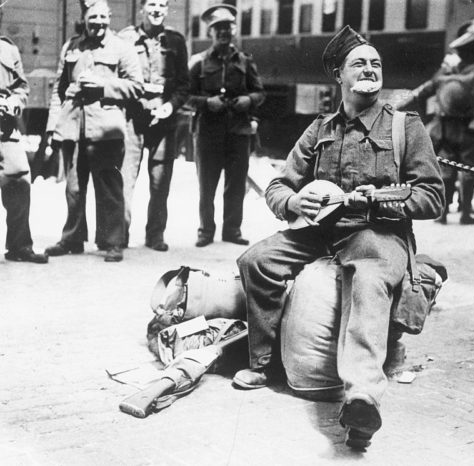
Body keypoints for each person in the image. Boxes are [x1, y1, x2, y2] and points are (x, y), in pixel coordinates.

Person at [233, 26, 445, 449]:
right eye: (359, 63)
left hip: (376, 232)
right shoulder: (320, 129)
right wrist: (295, 205)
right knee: (255, 260)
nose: (370, 69)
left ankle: (362, 399)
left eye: (376, 63)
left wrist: (392, 202)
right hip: (320, 230)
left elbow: (433, 196)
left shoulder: (405, 127)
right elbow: (279, 185)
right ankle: (261, 362)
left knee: (367, 283)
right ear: (339, 76)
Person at [44, 0, 143, 262]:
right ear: (84, 18)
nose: (98, 22)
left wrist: (104, 85)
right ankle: (72, 238)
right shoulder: (72, 46)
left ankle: (113, 242)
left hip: (106, 130)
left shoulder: (122, 47)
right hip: (73, 127)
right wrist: (52, 126)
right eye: (93, 17)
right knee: (74, 189)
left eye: (103, 16)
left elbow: (137, 86)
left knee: (109, 188)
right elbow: (59, 88)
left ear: (109, 16)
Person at [397, 20, 474, 225]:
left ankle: (443, 214)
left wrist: (408, 113)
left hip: (442, 128)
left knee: (446, 169)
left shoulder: (445, 74)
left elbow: (421, 93)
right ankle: (465, 212)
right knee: (468, 170)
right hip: (470, 129)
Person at [188, 5, 265, 247]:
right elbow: (185, 96)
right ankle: (205, 231)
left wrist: (248, 100)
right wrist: (206, 102)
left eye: (227, 28)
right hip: (207, 132)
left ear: (233, 31)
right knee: (206, 185)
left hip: (238, 131)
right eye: (217, 28)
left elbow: (260, 92)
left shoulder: (245, 61)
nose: (223, 33)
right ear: (210, 32)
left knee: (236, 184)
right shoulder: (199, 62)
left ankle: (232, 230)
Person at [118, 0, 189, 251]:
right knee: (125, 180)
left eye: (162, 4)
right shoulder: (125, 39)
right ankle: (120, 235)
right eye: (152, 4)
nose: (157, 9)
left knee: (160, 182)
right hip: (132, 121)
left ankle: (155, 235)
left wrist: (170, 106)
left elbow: (183, 85)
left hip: (163, 122)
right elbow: (118, 79)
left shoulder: (176, 42)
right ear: (142, 9)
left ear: (167, 10)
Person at [0, 32, 48, 264]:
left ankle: (19, 245)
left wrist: (14, 102)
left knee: (19, 180)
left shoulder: (7, 48)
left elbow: (21, 87)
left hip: (5, 128)